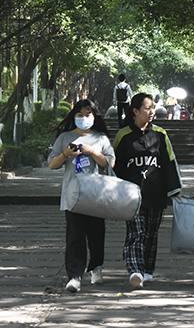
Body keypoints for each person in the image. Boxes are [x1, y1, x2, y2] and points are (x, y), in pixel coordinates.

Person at [113, 93, 183, 289]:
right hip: (130, 196)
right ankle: (135, 270)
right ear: (135, 111)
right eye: (147, 108)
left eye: (153, 107)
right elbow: (114, 166)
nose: (152, 111)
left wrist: (174, 190)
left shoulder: (160, 134)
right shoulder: (123, 136)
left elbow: (169, 163)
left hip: (156, 193)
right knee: (136, 232)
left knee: (151, 234)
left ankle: (147, 270)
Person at [47, 99, 115, 293]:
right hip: (72, 195)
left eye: (88, 115)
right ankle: (75, 276)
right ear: (73, 116)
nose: (84, 118)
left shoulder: (101, 138)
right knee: (75, 235)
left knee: (96, 234)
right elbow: (52, 164)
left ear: (94, 116)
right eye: (80, 115)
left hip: (96, 194)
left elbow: (110, 163)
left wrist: (92, 151)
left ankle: (96, 267)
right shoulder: (65, 137)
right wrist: (65, 154)